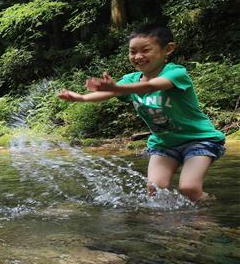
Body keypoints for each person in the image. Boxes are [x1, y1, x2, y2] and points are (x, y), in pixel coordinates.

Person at [58, 24, 225, 202]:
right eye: (132, 52)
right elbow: (111, 93)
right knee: (154, 190)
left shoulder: (176, 73)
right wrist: (82, 98)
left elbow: (151, 86)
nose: (138, 57)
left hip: (198, 140)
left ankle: (209, 205)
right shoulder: (130, 80)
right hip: (164, 144)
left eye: (145, 50)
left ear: (168, 49)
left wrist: (118, 87)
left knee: (189, 188)